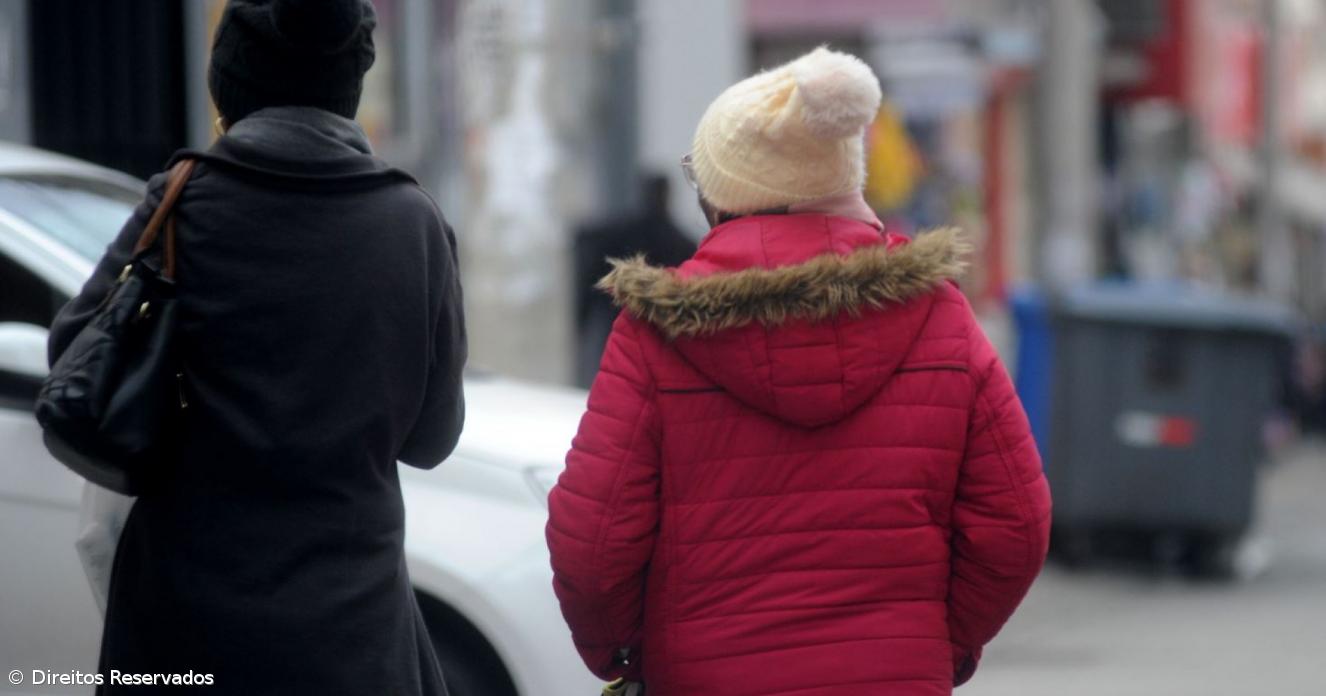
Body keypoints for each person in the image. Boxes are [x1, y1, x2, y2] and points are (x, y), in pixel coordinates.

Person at [546, 47, 1050, 695]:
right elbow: (1016, 527)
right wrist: (935, 642)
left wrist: (623, 655)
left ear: (723, 195)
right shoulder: (939, 319)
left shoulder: (657, 336)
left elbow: (591, 547)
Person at [47, 1, 466, 693]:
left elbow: (75, 354)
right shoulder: (412, 223)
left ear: (229, 86)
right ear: (349, 89)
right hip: (354, 637)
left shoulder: (182, 204)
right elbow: (432, 439)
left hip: (180, 629)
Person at [573, 174, 697, 386]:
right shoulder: (681, 242)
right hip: (663, 336)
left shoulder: (617, 235)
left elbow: (592, 274)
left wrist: (583, 318)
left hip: (618, 326)